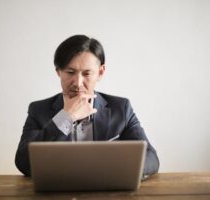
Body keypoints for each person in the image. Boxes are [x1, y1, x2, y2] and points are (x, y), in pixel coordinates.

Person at [15, 34, 159, 178]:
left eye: (87, 73)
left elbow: (151, 158)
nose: (78, 83)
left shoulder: (121, 108)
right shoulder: (38, 110)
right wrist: (66, 117)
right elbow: (24, 162)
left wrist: (108, 173)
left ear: (100, 72)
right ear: (58, 71)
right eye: (70, 72)